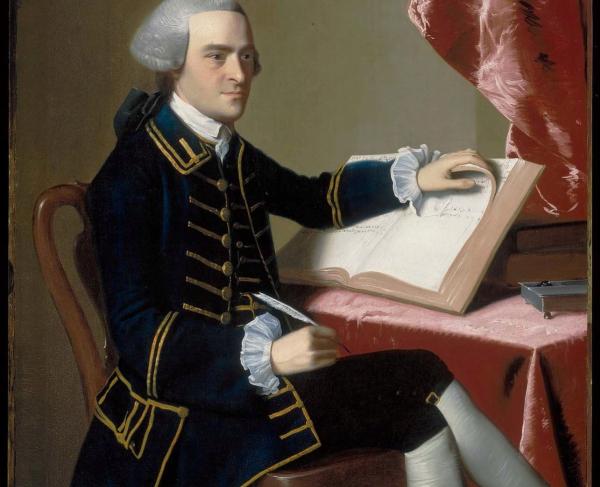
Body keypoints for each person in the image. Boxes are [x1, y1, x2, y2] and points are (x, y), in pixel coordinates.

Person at [72, 1, 548, 486]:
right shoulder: (130, 173)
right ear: (175, 65)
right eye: (217, 56)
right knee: (421, 387)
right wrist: (269, 356)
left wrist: (416, 178)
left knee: (422, 411)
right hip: (188, 419)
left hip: (254, 389)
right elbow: (139, 338)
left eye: (247, 57)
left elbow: (313, 198)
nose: (238, 74)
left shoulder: (228, 150)